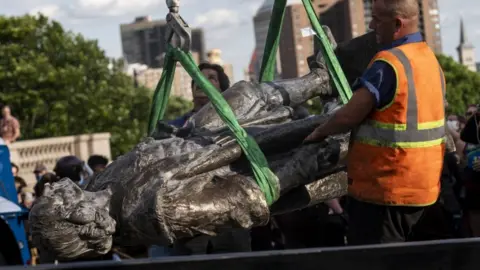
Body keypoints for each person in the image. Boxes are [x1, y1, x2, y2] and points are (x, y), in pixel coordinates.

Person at [305, 0, 446, 244]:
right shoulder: (430, 61)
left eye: (378, 19)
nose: (371, 25)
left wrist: (317, 133)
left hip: (385, 192)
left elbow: (349, 115)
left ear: (398, 24)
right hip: (424, 190)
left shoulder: (388, 64)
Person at [168, 62, 230, 127]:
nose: (202, 80)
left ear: (222, 90)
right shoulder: (174, 126)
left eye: (211, 78)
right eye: (198, 77)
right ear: (192, 88)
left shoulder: (230, 125)